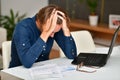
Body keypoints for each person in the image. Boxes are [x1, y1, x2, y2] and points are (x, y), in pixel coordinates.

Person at [9, 4, 77, 68]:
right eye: (51, 32)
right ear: (40, 22)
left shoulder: (55, 28)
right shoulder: (23, 28)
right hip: (17, 72)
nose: (52, 35)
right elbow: (27, 63)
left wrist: (66, 30)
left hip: (43, 70)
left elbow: (72, 55)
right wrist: (45, 33)